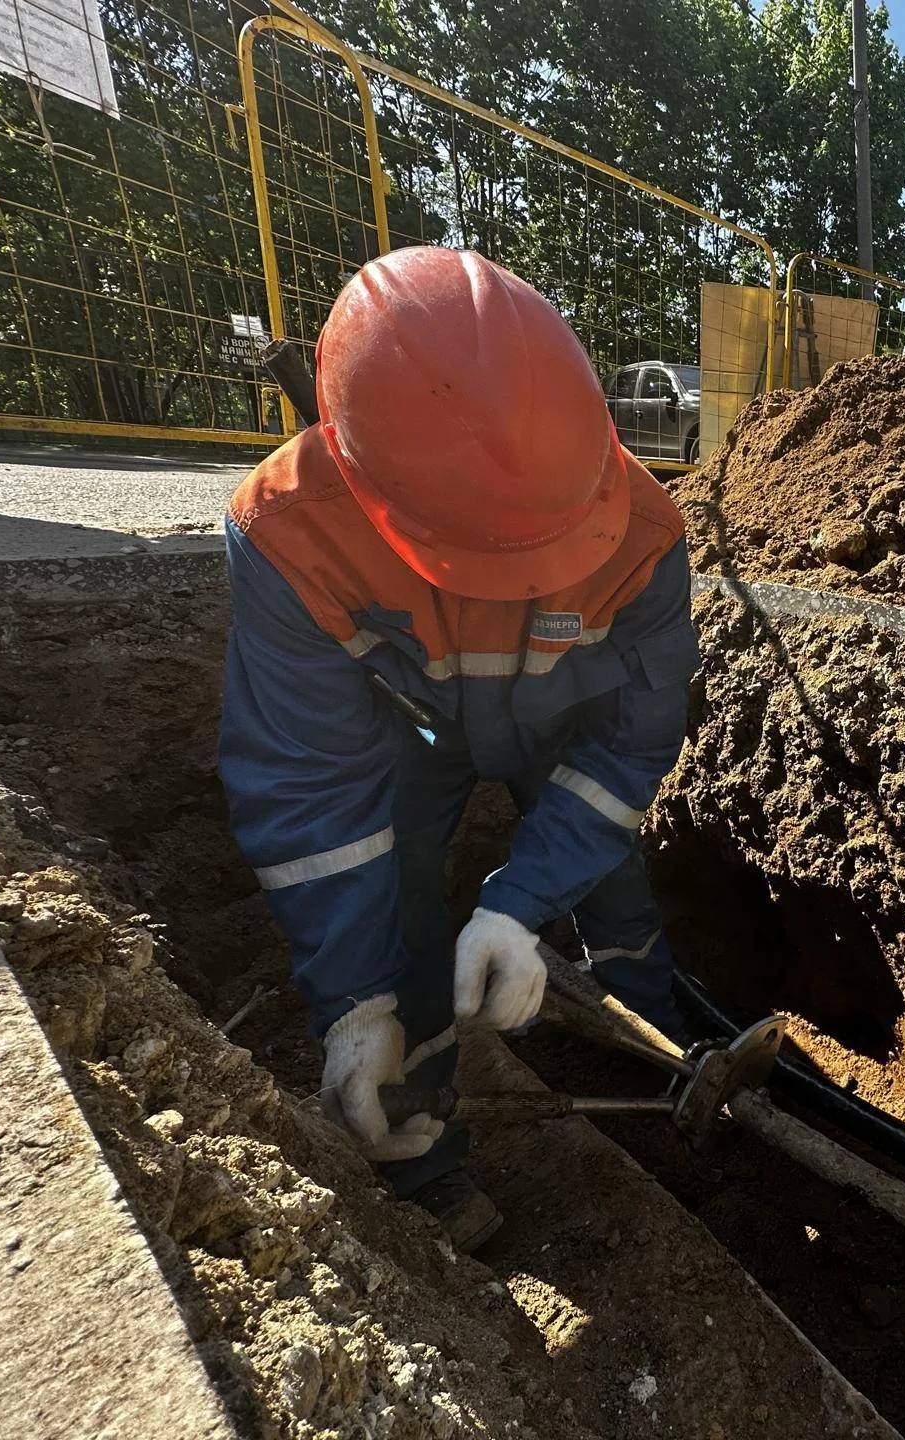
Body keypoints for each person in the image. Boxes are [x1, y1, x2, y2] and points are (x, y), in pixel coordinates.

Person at [219, 247, 700, 1252]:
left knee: (612, 890)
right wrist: (353, 1004)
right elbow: (313, 794)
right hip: (411, 732)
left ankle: (655, 1047)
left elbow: (629, 749)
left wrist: (522, 903)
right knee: (394, 907)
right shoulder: (290, 533)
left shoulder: (646, 535)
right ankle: (419, 1149)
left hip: (563, 727)